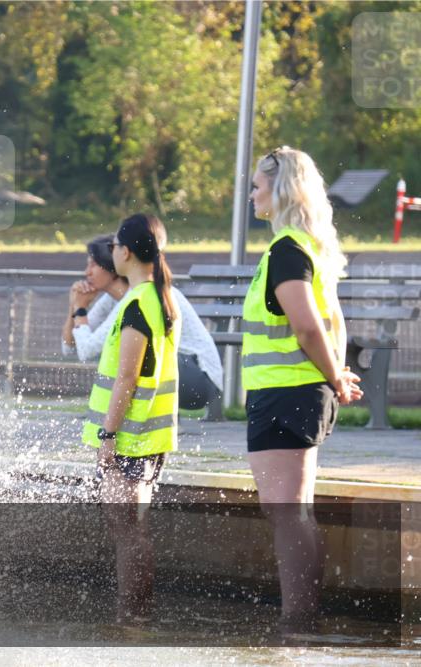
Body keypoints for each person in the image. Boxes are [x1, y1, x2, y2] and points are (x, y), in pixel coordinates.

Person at [244, 146, 362, 631]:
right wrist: (334, 375)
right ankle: (302, 619)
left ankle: (299, 621)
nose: (251, 194)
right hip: (294, 393)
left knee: (288, 515)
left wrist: (335, 375)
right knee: (295, 512)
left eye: (257, 185)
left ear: (282, 189)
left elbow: (308, 327)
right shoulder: (306, 247)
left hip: (286, 394)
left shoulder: (287, 250)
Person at [81, 214, 180, 623]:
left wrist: (108, 434)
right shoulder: (154, 297)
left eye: (117, 244)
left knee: (128, 533)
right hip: (143, 438)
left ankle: (132, 618)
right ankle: (135, 616)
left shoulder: (140, 303)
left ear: (126, 252)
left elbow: (127, 376)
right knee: (130, 530)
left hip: (130, 438)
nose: (112, 249)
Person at [62, 234, 222, 410]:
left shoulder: (136, 296)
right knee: (125, 349)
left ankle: (131, 423)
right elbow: (69, 347)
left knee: (129, 351)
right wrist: (74, 305)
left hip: (199, 380)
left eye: (93, 264)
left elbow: (87, 351)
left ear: (112, 267)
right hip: (181, 373)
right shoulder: (112, 299)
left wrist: (80, 310)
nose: (87, 272)